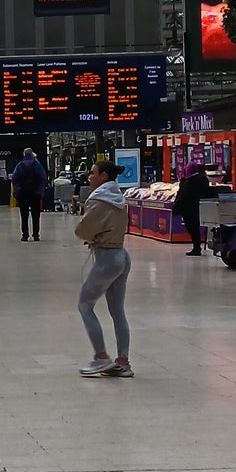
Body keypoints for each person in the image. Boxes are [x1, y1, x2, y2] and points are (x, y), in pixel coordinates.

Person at [74, 157, 133, 378]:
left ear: (104, 176)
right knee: (118, 311)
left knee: (85, 305)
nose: (89, 176)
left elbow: (82, 230)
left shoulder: (98, 200)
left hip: (106, 258)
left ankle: (101, 358)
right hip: (121, 255)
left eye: (93, 172)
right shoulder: (117, 197)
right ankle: (123, 362)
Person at [173, 158, 211, 257]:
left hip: (189, 209)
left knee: (192, 229)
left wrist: (176, 206)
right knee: (195, 229)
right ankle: (197, 247)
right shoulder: (203, 180)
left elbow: (183, 196)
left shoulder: (188, 182)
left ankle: (196, 248)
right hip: (198, 207)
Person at [10, 147, 49, 241]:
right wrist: (40, 192)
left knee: (24, 215)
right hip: (35, 194)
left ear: (24, 154)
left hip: (23, 194)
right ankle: (36, 235)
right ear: (32, 154)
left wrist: (17, 190)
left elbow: (14, 179)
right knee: (36, 215)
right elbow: (43, 178)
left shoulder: (19, 166)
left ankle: (25, 235)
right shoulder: (37, 165)